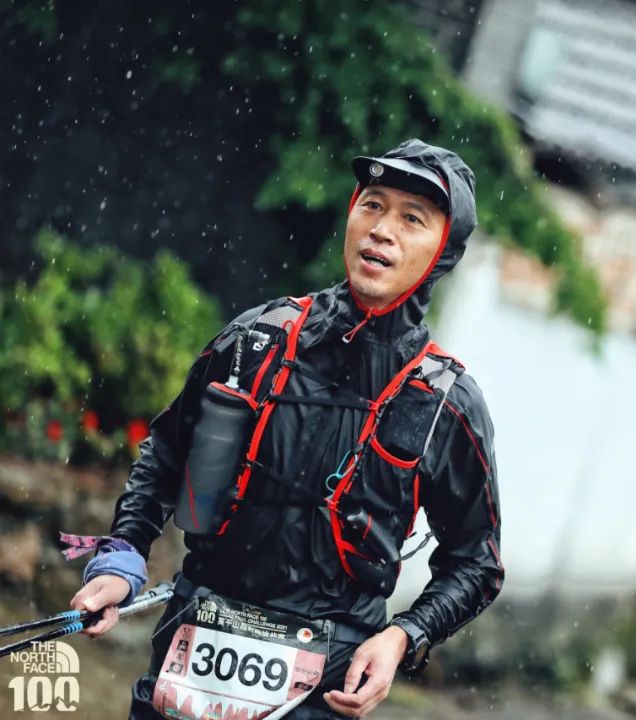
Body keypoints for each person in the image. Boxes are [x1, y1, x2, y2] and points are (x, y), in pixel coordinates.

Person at [67, 139, 504, 719]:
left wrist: (403, 636)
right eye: (372, 205)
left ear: (444, 250)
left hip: (326, 682)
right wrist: (122, 557)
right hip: (193, 644)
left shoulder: (445, 402)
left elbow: (476, 563)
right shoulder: (257, 341)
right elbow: (168, 451)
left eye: (412, 219)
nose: (381, 230)